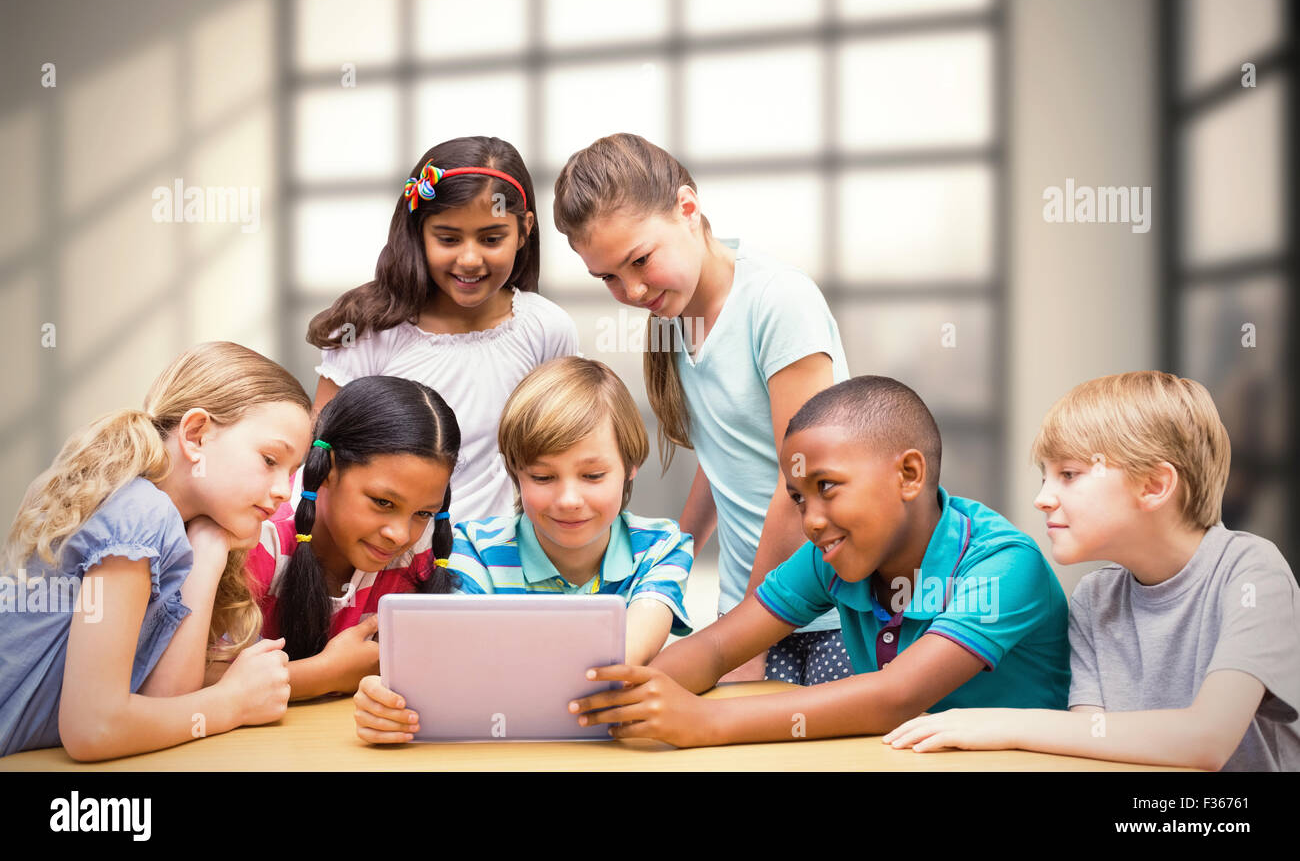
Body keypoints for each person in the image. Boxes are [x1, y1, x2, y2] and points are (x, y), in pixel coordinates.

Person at [567, 376, 1070, 747]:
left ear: (909, 474)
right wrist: (617, 695)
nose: (810, 519)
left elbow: (895, 696)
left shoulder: (1004, 565)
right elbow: (720, 648)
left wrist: (706, 723)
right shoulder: (831, 557)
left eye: (826, 487)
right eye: (799, 498)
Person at [884, 371, 1300, 771]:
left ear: (1154, 485)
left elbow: (1208, 740)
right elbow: (1089, 741)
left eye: (1069, 474)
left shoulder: (1251, 574)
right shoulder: (1093, 597)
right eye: (1044, 477)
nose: (1042, 499)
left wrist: (1003, 724)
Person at [553, 132, 848, 684]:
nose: (632, 291)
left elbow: (803, 480)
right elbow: (725, 455)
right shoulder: (675, 319)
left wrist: (747, 640)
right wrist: (669, 562)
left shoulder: (778, 303)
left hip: (831, 610)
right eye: (609, 277)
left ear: (688, 208)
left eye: (639, 261)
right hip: (748, 609)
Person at [352, 357, 694, 744]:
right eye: (543, 477)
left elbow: (625, 657)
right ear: (515, 472)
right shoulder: (474, 546)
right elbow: (454, 660)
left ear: (631, 466)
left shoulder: (663, 546)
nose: (568, 499)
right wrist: (387, 700)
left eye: (592, 476)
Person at [0, 342, 308, 760]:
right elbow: (93, 729)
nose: (282, 490)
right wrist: (231, 704)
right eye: (271, 460)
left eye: (292, 472)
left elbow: (167, 702)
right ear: (196, 435)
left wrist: (210, 549)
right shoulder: (140, 511)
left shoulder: (174, 528)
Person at [307, 136, 579, 525]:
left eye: (491, 238)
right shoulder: (371, 327)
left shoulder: (546, 329)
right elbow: (321, 455)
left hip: (499, 556)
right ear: (419, 232)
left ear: (523, 231)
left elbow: (564, 447)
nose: (469, 259)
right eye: (448, 239)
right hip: (386, 549)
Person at [246, 376, 461, 700]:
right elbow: (203, 680)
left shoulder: (419, 552)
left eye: (423, 513)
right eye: (383, 502)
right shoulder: (258, 535)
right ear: (327, 471)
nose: (399, 535)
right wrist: (327, 673)